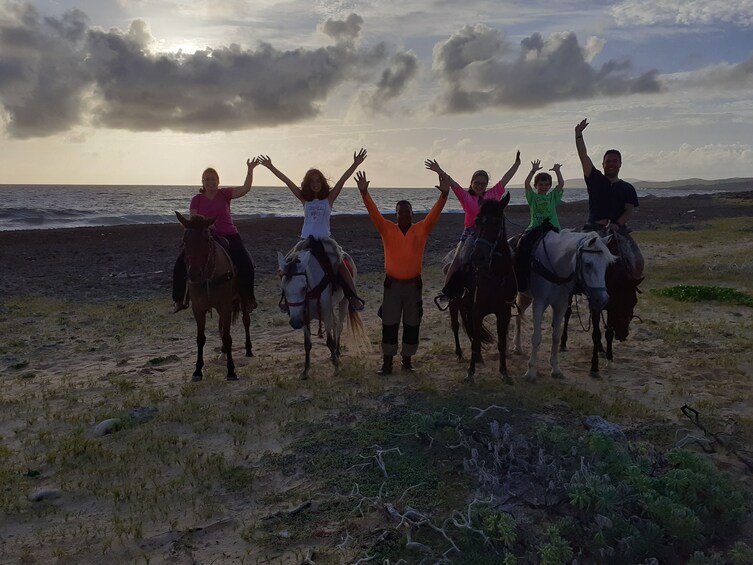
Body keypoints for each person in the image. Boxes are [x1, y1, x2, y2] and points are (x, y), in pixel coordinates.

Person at [355, 169, 450, 375]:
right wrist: (364, 193)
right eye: (401, 212)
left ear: (412, 214)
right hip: (392, 286)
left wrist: (443, 195)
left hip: (413, 286)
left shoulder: (422, 230)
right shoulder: (387, 229)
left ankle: (407, 362)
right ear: (396, 215)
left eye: (408, 211)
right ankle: (387, 364)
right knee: (389, 323)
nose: (404, 214)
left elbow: (434, 214)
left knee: (412, 323)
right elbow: (374, 213)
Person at [256, 150, 367, 311]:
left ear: (322, 182)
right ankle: (287, 300)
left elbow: (342, 180)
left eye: (318, 181)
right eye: (312, 181)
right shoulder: (304, 199)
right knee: (284, 269)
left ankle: (354, 298)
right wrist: (271, 167)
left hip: (325, 241)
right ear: (308, 184)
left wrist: (355, 164)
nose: (315, 184)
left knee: (341, 265)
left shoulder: (329, 199)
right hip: (305, 242)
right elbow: (288, 182)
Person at [425, 151, 521, 301]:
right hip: (470, 233)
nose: (479, 185)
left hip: (490, 233)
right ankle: (448, 291)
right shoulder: (466, 196)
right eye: (477, 182)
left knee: (509, 256)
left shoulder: (494, 193)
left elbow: (506, 178)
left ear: (486, 184)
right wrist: (439, 170)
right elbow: (452, 182)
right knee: (458, 260)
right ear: (471, 183)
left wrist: (517, 164)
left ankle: (511, 292)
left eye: (483, 183)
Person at [173, 159, 259, 312]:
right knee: (180, 263)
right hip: (206, 236)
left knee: (246, 264)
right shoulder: (197, 199)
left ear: (218, 181)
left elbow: (245, 189)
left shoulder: (225, 194)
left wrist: (250, 169)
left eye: (213, 179)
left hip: (229, 234)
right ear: (203, 182)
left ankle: (248, 299)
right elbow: (193, 219)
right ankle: (179, 300)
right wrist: (206, 224)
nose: (210, 182)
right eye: (207, 179)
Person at [575, 118, 644, 278]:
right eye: (608, 161)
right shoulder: (595, 179)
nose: (611, 164)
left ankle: (630, 290)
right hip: (592, 230)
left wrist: (617, 224)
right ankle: (571, 296)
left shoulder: (627, 187)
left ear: (620, 163)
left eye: (615, 161)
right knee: (576, 260)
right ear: (603, 163)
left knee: (638, 261)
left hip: (618, 231)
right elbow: (583, 155)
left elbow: (628, 210)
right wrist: (578, 135)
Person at [515, 159, 564, 291]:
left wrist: (558, 171)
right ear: (536, 186)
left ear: (549, 186)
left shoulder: (553, 196)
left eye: (546, 184)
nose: (543, 186)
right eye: (541, 184)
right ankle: (522, 277)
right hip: (535, 228)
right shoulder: (532, 197)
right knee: (522, 244)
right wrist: (533, 171)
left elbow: (561, 184)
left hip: (553, 229)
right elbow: (526, 183)